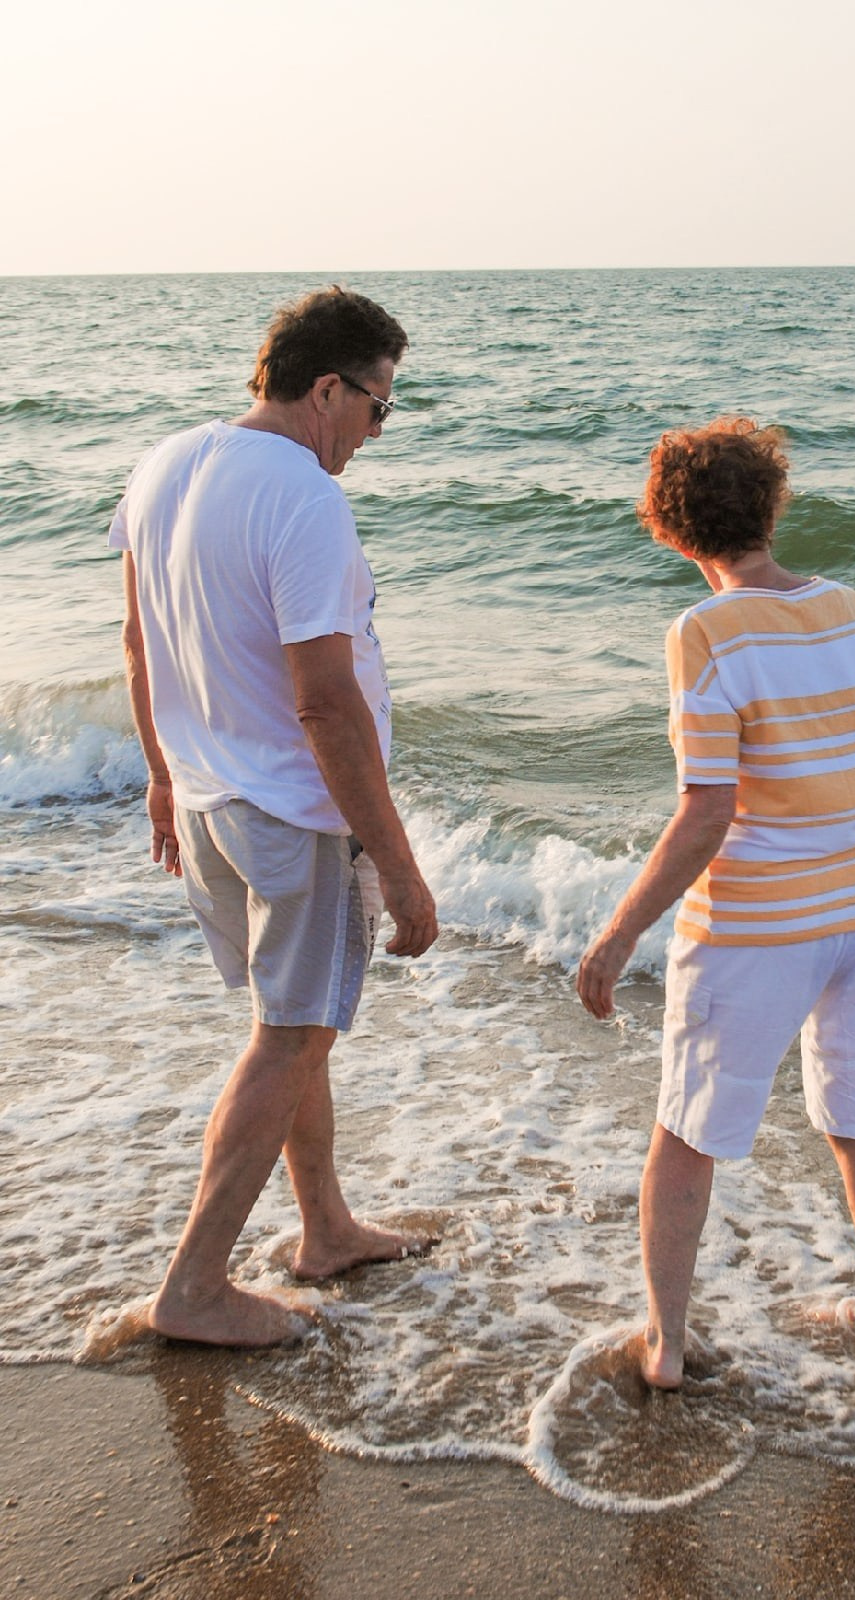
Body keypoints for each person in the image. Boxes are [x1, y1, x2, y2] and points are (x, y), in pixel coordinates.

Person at [577, 417, 855, 1389]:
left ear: (669, 527)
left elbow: (707, 811)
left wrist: (618, 932)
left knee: (689, 1130)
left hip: (754, 926)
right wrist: (850, 837)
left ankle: (664, 1342)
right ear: (772, 504)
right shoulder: (847, 607)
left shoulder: (704, 632)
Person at [110, 286, 438, 1348]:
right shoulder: (304, 498)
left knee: (291, 1035)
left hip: (207, 796)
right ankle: (195, 1286)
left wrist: (162, 775)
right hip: (290, 815)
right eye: (378, 407)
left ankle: (326, 1228)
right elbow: (324, 701)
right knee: (289, 1039)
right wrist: (398, 859)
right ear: (328, 387)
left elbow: (137, 638)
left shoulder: (165, 462)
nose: (377, 432)